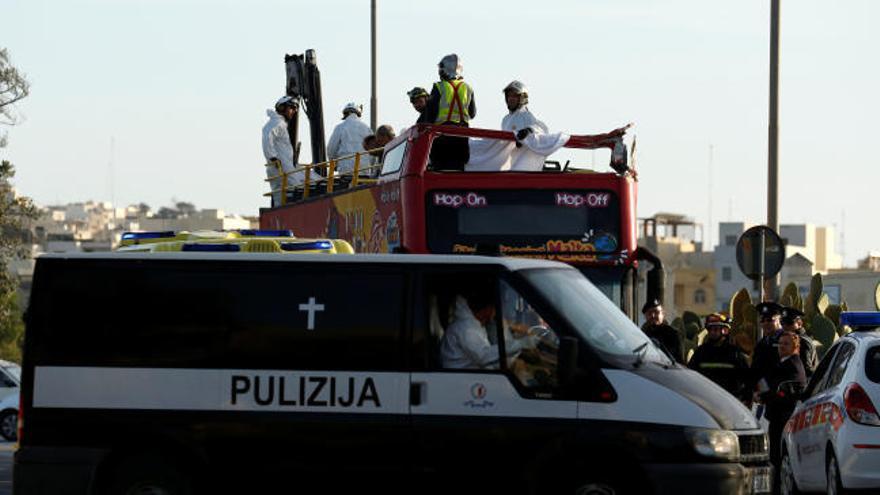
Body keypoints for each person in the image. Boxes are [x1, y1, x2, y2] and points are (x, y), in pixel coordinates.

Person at [440, 292, 532, 369]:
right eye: (494, 309)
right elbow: (483, 356)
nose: (495, 313)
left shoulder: (473, 325)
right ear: (488, 309)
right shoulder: (466, 329)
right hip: (460, 379)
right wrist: (521, 344)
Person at [760, 330, 806, 470]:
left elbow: (784, 392)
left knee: (778, 457)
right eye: (780, 343)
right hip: (776, 416)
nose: (781, 346)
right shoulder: (782, 363)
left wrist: (765, 396)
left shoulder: (793, 365)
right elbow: (767, 383)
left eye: (786, 344)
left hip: (784, 417)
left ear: (795, 347)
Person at [423, 54, 476, 171]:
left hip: (442, 136)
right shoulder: (468, 88)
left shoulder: (438, 87)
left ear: (445, 69)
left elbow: (430, 116)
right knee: (458, 172)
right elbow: (472, 114)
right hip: (462, 136)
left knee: (440, 171)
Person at [688, 313, 750, 401]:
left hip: (729, 402)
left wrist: (743, 398)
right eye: (710, 330)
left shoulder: (734, 353)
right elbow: (691, 375)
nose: (712, 332)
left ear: (725, 330)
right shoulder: (701, 352)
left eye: (716, 329)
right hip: (707, 400)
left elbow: (747, 379)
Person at [261, 96, 302, 205]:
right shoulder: (277, 123)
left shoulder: (280, 123)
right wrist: (272, 157)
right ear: (282, 107)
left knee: (283, 198)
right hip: (281, 168)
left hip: (282, 167)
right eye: (292, 108)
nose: (293, 112)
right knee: (298, 190)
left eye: (295, 109)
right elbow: (267, 137)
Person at [327, 102, 373, 175]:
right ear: (358, 114)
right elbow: (372, 151)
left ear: (345, 114)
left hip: (346, 170)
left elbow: (331, 149)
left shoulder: (340, 127)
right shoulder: (367, 128)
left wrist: (333, 164)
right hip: (364, 170)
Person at [751, 302, 785, 396]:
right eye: (762, 320)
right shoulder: (761, 344)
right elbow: (756, 371)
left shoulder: (787, 341)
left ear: (779, 320)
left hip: (781, 395)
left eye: (770, 320)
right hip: (764, 395)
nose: (766, 323)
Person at [640, 299, 684, 364]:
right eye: (649, 313)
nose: (653, 315)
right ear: (645, 316)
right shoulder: (642, 333)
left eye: (656, 312)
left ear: (663, 314)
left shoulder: (672, 334)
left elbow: (676, 359)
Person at [781, 306, 818, 377]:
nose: (785, 326)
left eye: (789, 323)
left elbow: (806, 370)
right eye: (782, 323)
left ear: (799, 323)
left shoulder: (802, 342)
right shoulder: (786, 339)